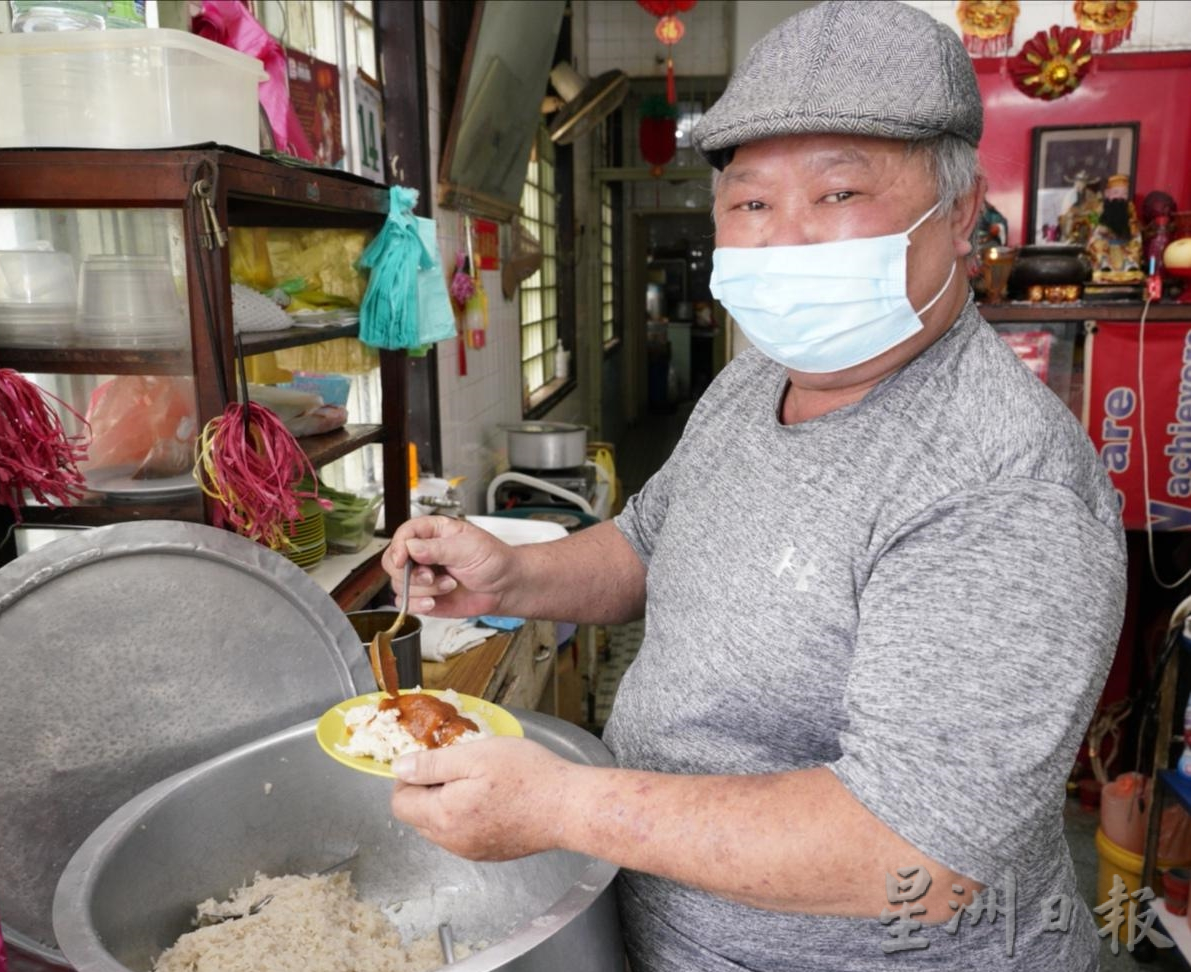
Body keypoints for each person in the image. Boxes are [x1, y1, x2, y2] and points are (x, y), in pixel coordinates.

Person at [383, 3, 1127, 969]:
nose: (783, 242)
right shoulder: (756, 378)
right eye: (750, 203)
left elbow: (913, 848)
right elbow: (652, 542)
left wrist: (558, 802)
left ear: (957, 213)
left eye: (837, 193)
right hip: (676, 927)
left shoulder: (1001, 484)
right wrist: (511, 579)